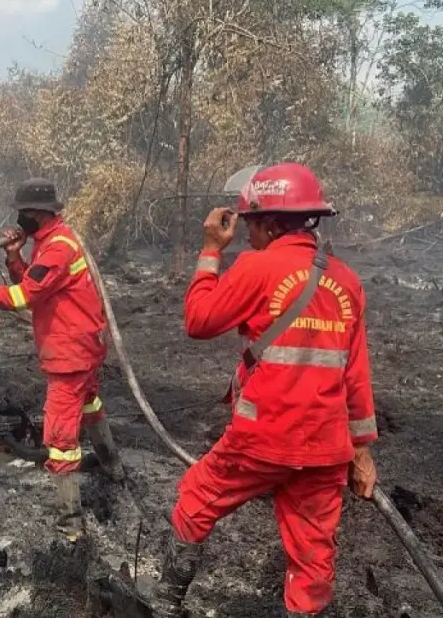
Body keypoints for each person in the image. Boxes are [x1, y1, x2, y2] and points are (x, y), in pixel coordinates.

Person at [151, 162, 379, 617]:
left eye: (252, 223)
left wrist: (212, 251)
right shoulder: (347, 282)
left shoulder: (256, 267)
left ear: (271, 222)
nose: (249, 233)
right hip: (326, 449)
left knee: (195, 500)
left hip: (262, 440)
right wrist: (362, 450)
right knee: (313, 559)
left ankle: (163, 603)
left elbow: (198, 322)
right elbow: (355, 375)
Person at [0, 178, 125, 540]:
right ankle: (113, 467)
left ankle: (71, 527)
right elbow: (37, 288)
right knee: (90, 405)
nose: (19, 219)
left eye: (24, 213)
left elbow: (23, 297)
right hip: (80, 345)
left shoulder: (57, 248)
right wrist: (13, 256)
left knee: (59, 438)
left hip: (70, 352)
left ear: (40, 213)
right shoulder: (49, 241)